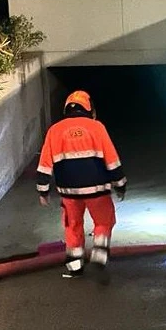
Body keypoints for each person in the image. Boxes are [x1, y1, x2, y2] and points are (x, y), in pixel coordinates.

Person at [36, 90, 127, 281]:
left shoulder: (55, 130)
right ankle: (100, 253)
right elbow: (112, 159)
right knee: (103, 221)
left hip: (69, 192)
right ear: (89, 107)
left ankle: (75, 267)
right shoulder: (97, 127)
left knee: (72, 226)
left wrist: (43, 190)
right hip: (98, 189)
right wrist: (120, 184)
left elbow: (45, 164)